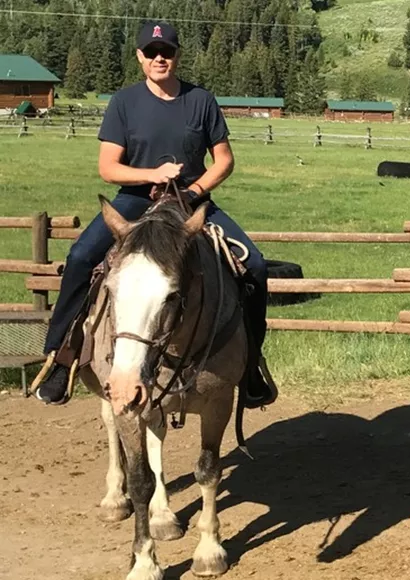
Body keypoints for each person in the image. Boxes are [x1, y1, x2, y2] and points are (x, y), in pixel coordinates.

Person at [33, 21, 276, 408]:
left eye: (167, 51)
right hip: (135, 199)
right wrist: (152, 174)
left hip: (190, 201)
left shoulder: (201, 101)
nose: (159, 58)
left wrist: (196, 191)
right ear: (140, 57)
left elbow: (224, 160)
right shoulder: (124, 103)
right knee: (81, 258)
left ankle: (249, 367)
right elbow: (109, 167)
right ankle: (61, 358)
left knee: (256, 267)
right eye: (151, 52)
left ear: (177, 55)